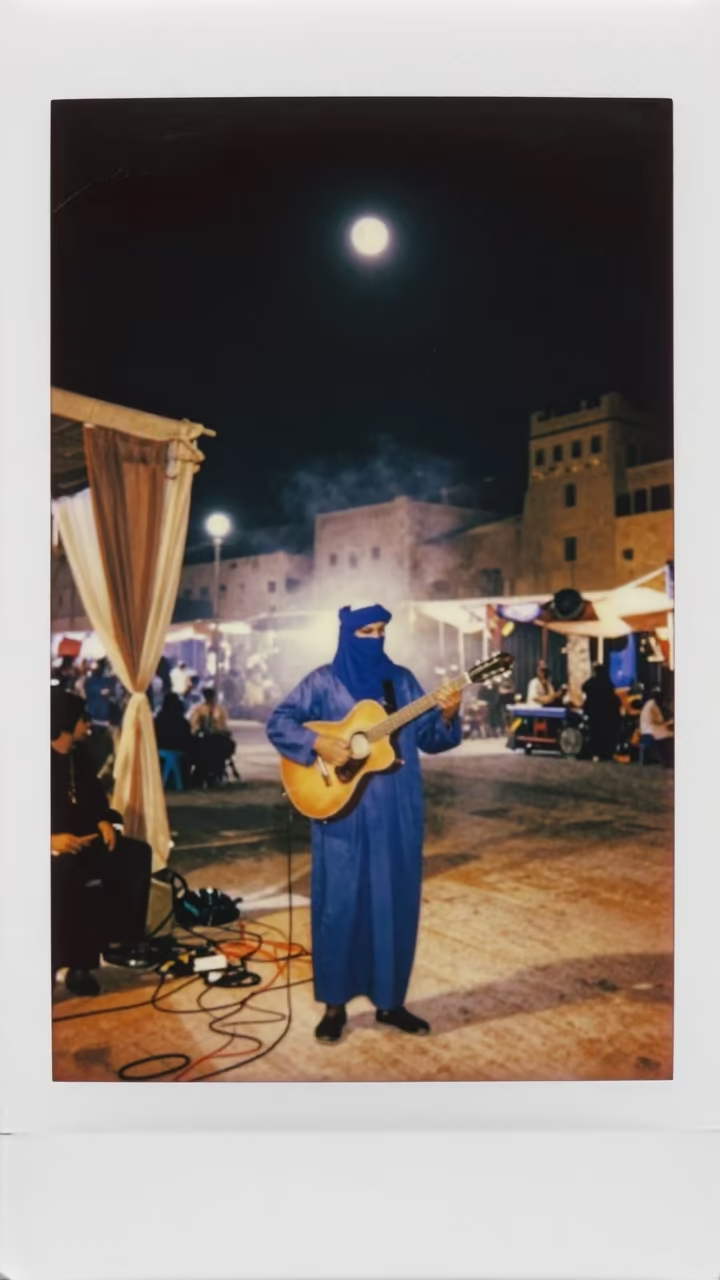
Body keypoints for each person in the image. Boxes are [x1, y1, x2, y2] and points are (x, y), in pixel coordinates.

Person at [266, 602, 463, 1044]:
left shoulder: (404, 681)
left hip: (396, 813)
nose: (375, 639)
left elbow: (431, 738)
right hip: (342, 815)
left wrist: (448, 713)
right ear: (346, 634)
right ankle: (334, 1006)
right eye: (366, 632)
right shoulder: (322, 681)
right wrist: (318, 743)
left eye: (381, 631)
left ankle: (390, 1003)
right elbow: (279, 721)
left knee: (394, 905)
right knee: (340, 907)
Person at [51, 690, 152, 996]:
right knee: (66, 878)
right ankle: (60, 964)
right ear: (66, 721)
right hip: (47, 853)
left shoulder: (78, 757)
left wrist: (104, 821)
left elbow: (97, 804)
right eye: (82, 719)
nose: (88, 725)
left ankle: (117, 943)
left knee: (135, 855)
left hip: (84, 843)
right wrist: (49, 840)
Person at [190, 686, 239, 785]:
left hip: (217, 738)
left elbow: (223, 725)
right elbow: (194, 724)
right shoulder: (199, 709)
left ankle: (218, 772)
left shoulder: (220, 709)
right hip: (204, 738)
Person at [155, 691, 197, 787]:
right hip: (180, 750)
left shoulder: (158, 720)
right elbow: (188, 740)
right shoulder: (183, 723)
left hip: (161, 750)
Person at [581, 662, 621, 761]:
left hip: (595, 714)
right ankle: (607, 754)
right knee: (606, 735)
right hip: (608, 715)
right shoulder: (608, 683)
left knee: (595, 735)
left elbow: (584, 687)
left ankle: (595, 754)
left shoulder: (593, 683)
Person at [639, 685, 674, 767]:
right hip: (650, 730)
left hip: (650, 729)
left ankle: (667, 761)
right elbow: (657, 722)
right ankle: (667, 761)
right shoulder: (652, 706)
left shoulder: (650, 704)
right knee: (668, 737)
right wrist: (669, 722)